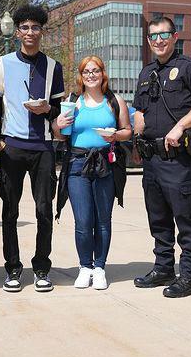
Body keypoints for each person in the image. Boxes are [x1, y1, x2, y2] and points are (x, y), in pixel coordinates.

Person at [132, 16, 191, 298]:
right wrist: (134, 136)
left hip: (179, 159)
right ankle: (163, 268)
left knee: (186, 219)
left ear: (175, 36)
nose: (158, 40)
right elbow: (140, 112)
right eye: (153, 36)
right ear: (148, 41)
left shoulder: (190, 68)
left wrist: (180, 126)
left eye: (163, 35)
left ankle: (190, 276)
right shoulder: (146, 73)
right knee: (158, 218)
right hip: (152, 159)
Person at [0, 4, 65, 292]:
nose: (30, 32)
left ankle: (42, 268)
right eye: (24, 27)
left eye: (35, 27)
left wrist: (48, 110)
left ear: (41, 32)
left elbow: (57, 108)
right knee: (10, 211)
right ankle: (12, 268)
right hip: (12, 146)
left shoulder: (53, 66)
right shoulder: (2, 63)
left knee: (44, 210)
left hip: (43, 147)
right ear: (17, 31)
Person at [53, 56, 132, 290]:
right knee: (84, 220)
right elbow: (60, 135)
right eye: (86, 71)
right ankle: (84, 266)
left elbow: (127, 131)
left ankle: (99, 267)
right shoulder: (73, 101)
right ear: (81, 75)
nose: (91, 75)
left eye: (95, 70)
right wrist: (58, 123)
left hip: (105, 162)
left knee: (103, 220)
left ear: (102, 73)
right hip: (77, 163)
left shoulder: (114, 101)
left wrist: (115, 136)